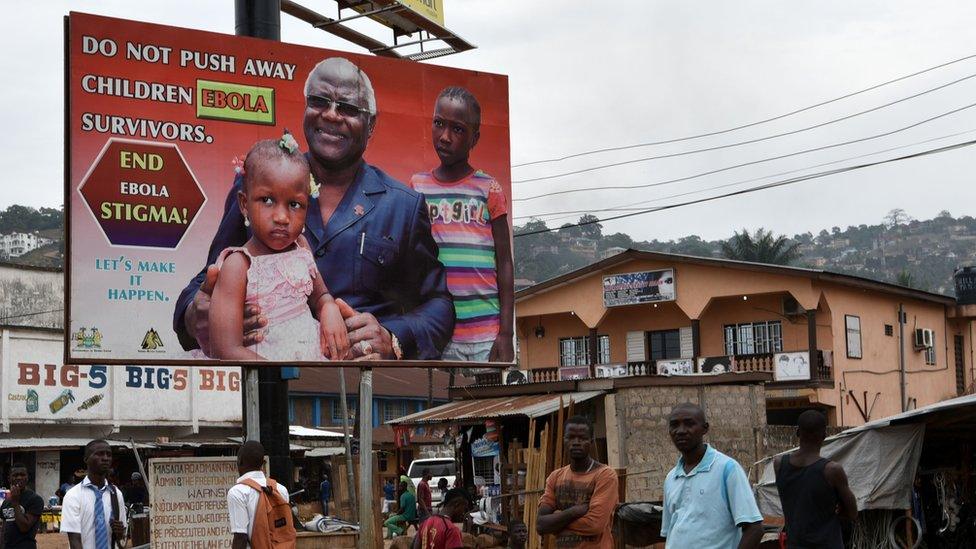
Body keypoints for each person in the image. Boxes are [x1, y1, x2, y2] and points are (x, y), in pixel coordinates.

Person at [175, 56, 454, 361]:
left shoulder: (403, 206)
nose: (332, 115)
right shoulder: (258, 187)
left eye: (348, 108)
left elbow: (438, 304)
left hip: (362, 386)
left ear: (371, 124)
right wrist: (196, 312)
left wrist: (394, 337)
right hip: (265, 382)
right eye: (320, 101)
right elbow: (207, 280)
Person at [205, 135, 348, 362]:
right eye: (267, 200)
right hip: (261, 379)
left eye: (294, 205)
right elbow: (224, 349)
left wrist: (329, 309)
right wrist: (278, 377)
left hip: (310, 365)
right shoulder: (238, 265)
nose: (282, 217)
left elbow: (320, 295)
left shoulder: (301, 248)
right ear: (244, 204)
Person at [409, 87, 514, 363]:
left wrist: (505, 334)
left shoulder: (489, 189)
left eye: (457, 129)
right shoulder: (417, 188)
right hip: (439, 333)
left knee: (491, 407)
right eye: (439, 123)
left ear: (474, 138)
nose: (445, 136)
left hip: (485, 337)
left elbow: (504, 262)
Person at [661, 403, 763, 549]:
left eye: (689, 424)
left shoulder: (727, 469)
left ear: (705, 428)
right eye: (674, 425)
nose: (681, 431)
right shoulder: (671, 478)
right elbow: (671, 533)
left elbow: (754, 528)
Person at [774, 410, 857, 548]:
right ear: (824, 435)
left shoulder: (779, 464)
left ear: (797, 432)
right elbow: (852, 513)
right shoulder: (832, 470)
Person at [537, 415, 618, 548]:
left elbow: (595, 525)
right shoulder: (555, 477)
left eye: (582, 438)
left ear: (591, 441)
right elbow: (540, 525)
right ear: (564, 440)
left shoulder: (605, 476)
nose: (576, 442)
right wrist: (573, 512)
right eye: (571, 437)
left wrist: (556, 519)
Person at [61, 440, 127, 549]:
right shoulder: (73, 495)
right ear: (86, 459)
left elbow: (122, 540)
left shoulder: (116, 494)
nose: (105, 458)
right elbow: (74, 541)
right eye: (99, 454)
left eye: (108, 454)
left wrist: (120, 533)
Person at [227, 440, 291, 549]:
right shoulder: (281, 490)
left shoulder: (238, 492)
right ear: (262, 463)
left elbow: (240, 537)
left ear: (240, 461)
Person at [1, 463, 44, 549]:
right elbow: (4, 528)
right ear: (9, 479)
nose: (19, 478)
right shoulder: (6, 502)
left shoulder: (35, 499)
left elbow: (24, 527)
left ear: (27, 478)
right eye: (15, 475)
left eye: (22, 475)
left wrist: (15, 503)